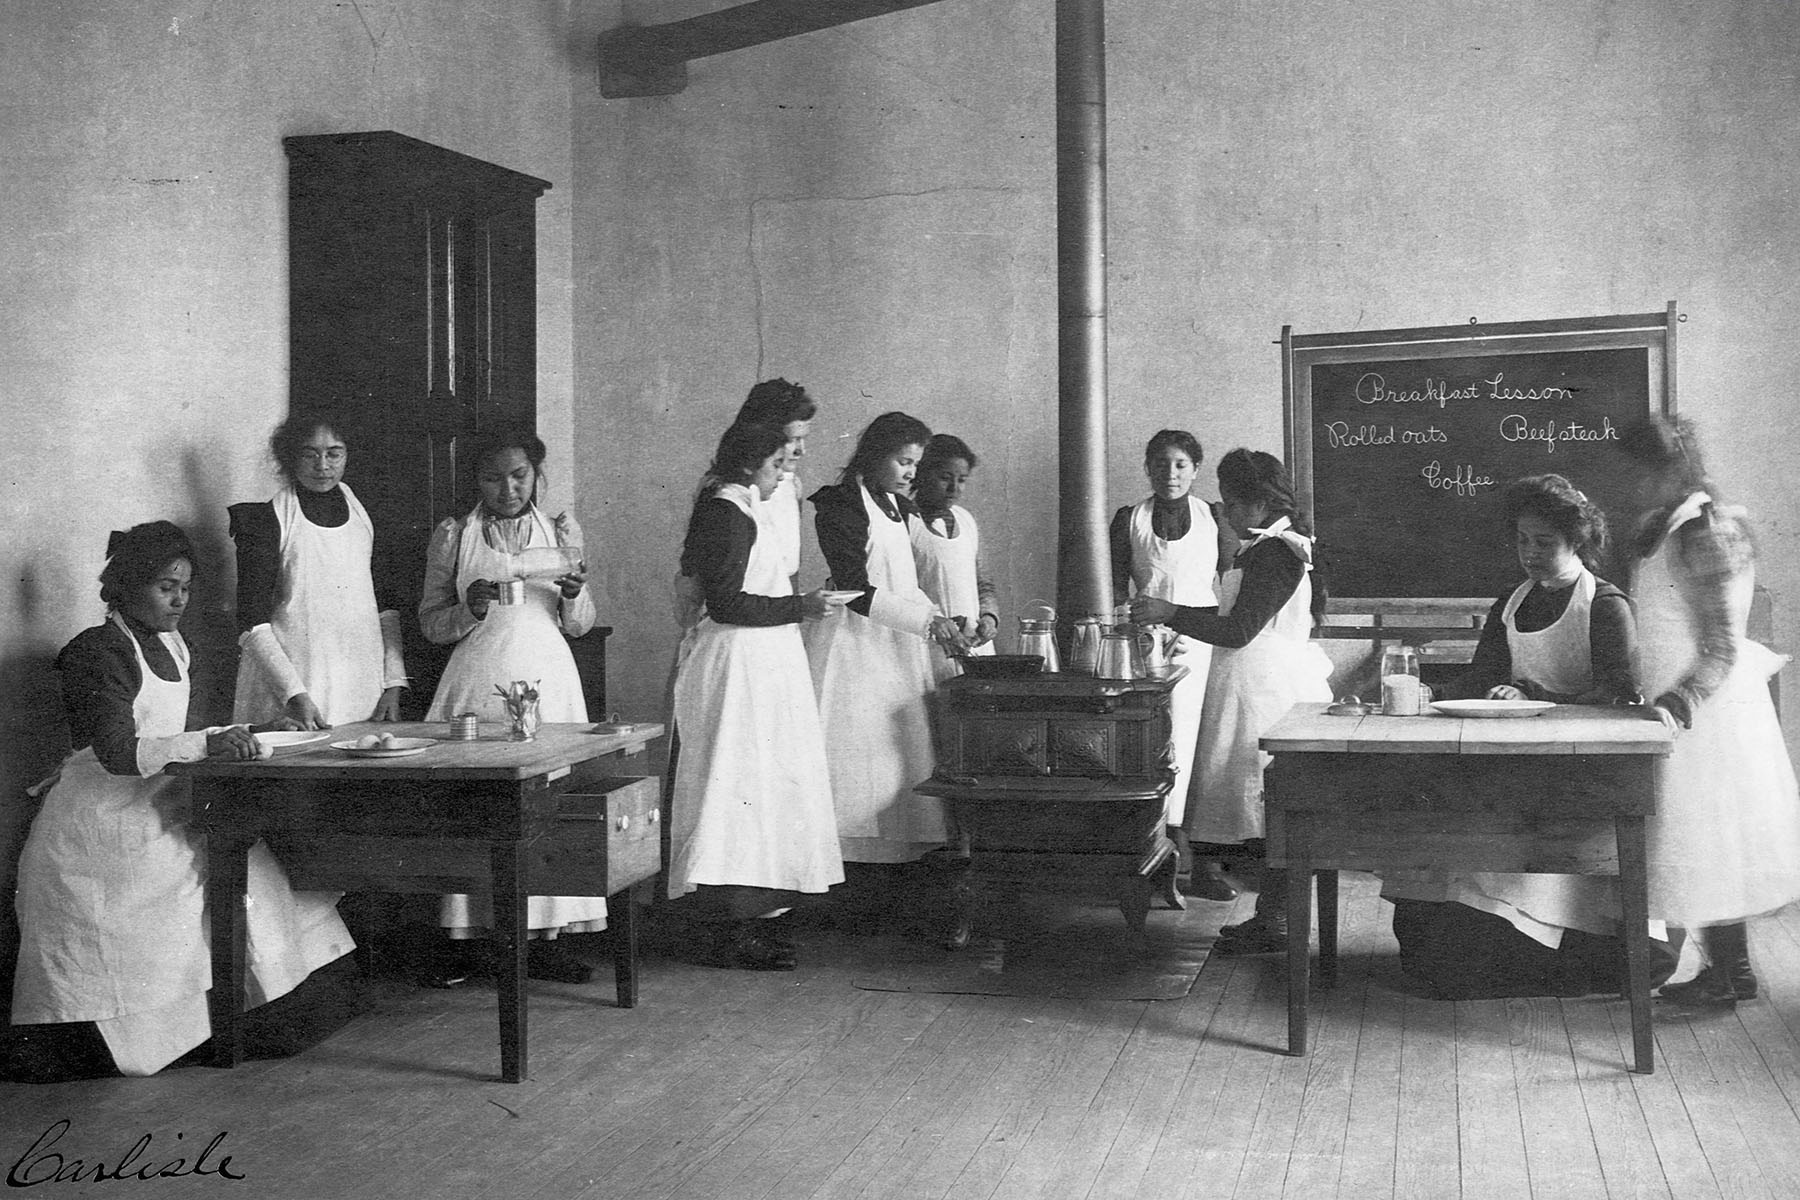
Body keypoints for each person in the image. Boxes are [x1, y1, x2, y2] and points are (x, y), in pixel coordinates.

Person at [9, 523, 356, 1081]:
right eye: (166, 586)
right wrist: (211, 742)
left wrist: (259, 728)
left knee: (253, 874)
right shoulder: (94, 651)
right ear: (124, 586)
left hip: (160, 795)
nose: (179, 600)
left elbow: (176, 731)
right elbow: (120, 754)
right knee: (190, 887)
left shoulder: (172, 644)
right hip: (101, 817)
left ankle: (248, 1016)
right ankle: (175, 1034)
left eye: (186, 588)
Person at [1381, 474, 1667, 998]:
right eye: (1522, 541)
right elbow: (1480, 675)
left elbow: (1625, 697)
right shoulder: (1511, 604)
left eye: (1544, 543)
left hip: (1582, 774)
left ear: (1576, 542)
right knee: (1432, 913)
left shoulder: (1604, 605)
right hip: (1518, 763)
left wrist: (1543, 698)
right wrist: (1420, 691)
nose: (1530, 553)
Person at [1618, 415, 1800, 1007]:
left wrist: (1679, 700)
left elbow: (1721, 644)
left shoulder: (1706, 532)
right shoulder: (1663, 528)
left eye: (1643, 472)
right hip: (1672, 707)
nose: (1633, 484)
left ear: (1673, 469)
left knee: (1707, 840)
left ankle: (1731, 972)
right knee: (1695, 843)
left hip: (1706, 711)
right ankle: (1726, 971)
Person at [419, 428, 606, 984]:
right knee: (474, 803)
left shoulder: (561, 531)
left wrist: (574, 594)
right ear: (475, 480)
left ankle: (546, 939)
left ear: (536, 475)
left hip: (547, 675)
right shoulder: (456, 535)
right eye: (492, 477)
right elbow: (431, 623)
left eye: (519, 475)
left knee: (550, 803)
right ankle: (470, 940)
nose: (507, 488)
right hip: (477, 679)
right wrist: (468, 610)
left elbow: (582, 623)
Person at [1127, 449, 1333, 954]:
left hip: (1263, 691)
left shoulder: (1277, 552)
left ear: (1260, 502)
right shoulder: (1271, 547)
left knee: (1262, 808)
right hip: (1251, 682)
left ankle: (1280, 921)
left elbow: (1239, 630)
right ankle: (1274, 917)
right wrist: (1174, 613)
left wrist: (1169, 611)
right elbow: (1238, 615)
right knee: (1258, 809)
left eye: (1233, 500)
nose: (1227, 509)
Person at [668, 421, 846, 969]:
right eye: (778, 457)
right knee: (733, 790)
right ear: (748, 461)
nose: (791, 460)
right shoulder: (725, 509)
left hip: (770, 659)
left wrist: (796, 610)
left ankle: (763, 918)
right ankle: (728, 926)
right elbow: (724, 604)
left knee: (770, 791)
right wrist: (802, 607)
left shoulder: (763, 500)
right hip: (735, 661)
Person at [807, 412, 970, 868]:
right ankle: (844, 867)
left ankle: (893, 868)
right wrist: (925, 622)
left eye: (916, 463)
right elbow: (855, 588)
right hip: (854, 649)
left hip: (898, 644)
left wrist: (938, 619)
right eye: (902, 462)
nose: (911, 473)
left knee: (900, 759)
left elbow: (905, 582)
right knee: (858, 758)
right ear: (874, 455)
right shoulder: (840, 505)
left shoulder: (899, 506)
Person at [1110, 430, 1233, 898]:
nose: (1170, 473)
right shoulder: (1130, 519)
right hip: (1148, 647)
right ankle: (1156, 848)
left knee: (1200, 744)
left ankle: (1199, 856)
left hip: (1204, 645)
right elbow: (1114, 587)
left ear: (1195, 469)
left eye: (1180, 464)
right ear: (1147, 468)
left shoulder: (1214, 517)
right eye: (1160, 464)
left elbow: (1231, 583)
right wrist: (1135, 634)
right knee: (1155, 745)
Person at [230, 414, 408, 729]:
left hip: (360, 689)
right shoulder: (266, 521)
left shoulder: (365, 515)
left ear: (348, 455)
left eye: (333, 453)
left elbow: (385, 608)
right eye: (309, 454)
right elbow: (251, 623)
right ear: (289, 457)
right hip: (292, 696)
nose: (322, 465)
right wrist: (294, 694)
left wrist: (393, 683)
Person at [673, 378, 817, 629]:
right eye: (792, 439)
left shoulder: (791, 486)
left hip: (778, 621)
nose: (800, 450)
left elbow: (789, 569)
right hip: (733, 624)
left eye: (804, 439)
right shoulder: (724, 493)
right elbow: (701, 580)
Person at [910, 433, 999, 683]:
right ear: (921, 474)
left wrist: (989, 619)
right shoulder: (906, 523)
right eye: (945, 478)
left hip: (974, 644)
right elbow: (900, 591)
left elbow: (985, 584)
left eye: (962, 480)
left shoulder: (966, 521)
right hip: (926, 646)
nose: (954, 488)